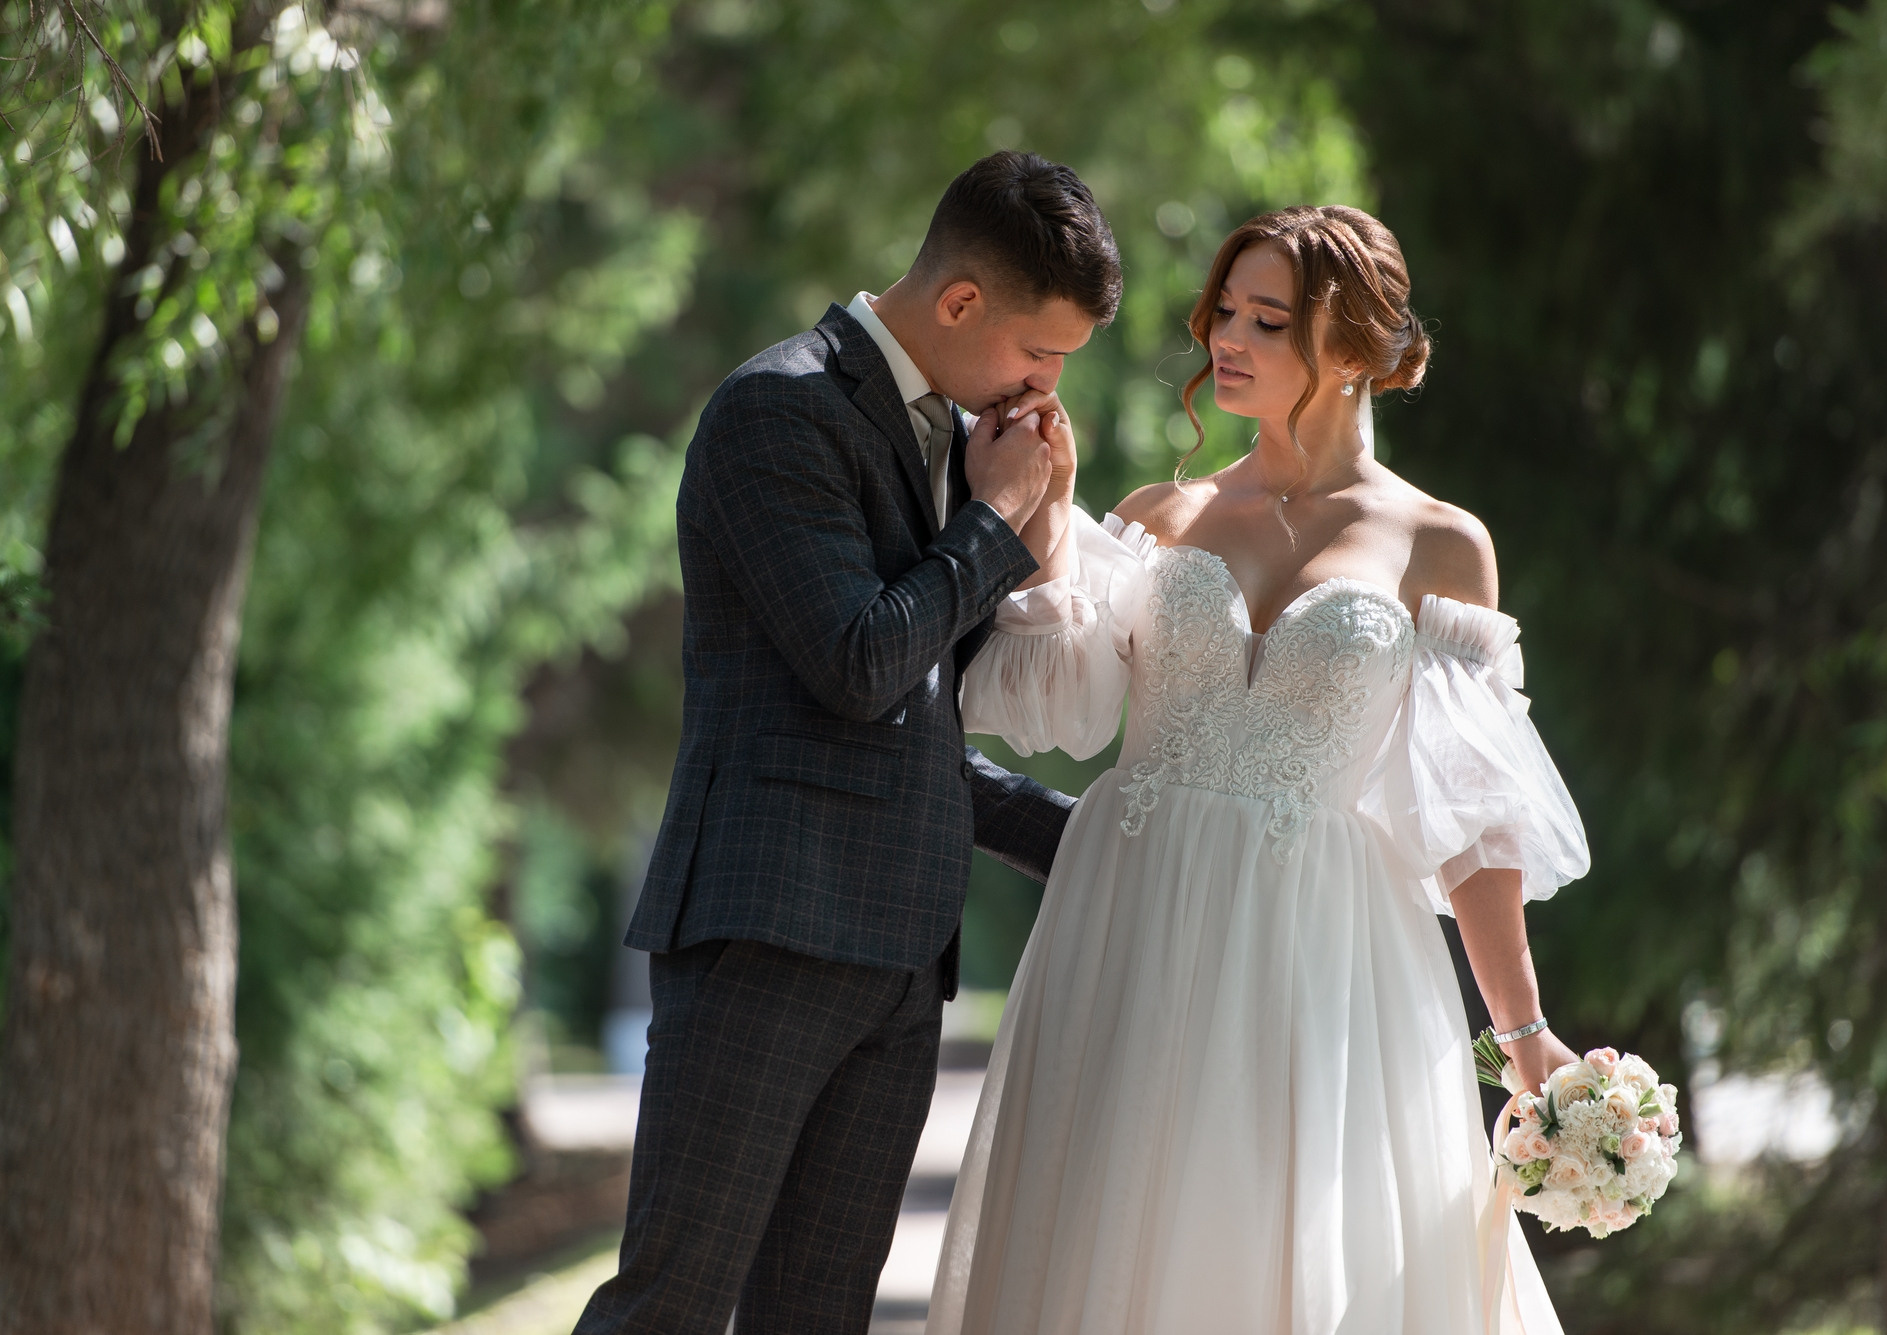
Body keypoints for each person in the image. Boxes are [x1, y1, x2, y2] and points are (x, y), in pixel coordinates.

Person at [933, 205, 1591, 1333]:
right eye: (1223, 311)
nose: (1225, 338)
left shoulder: (1439, 544)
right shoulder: (1161, 514)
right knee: (1109, 1235)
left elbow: (1470, 819)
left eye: (1266, 320)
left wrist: (1525, 1037)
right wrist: (1046, 521)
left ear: (1350, 348)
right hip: (1128, 921)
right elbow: (1059, 711)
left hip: (1321, 956)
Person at [574, 151, 1121, 1335]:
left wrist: (1115, 843)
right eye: (1042, 353)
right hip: (767, 931)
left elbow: (918, 737)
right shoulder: (777, 409)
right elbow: (862, 665)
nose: (1045, 387)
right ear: (962, 303)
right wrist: (992, 525)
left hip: (898, 961)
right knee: (668, 1306)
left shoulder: (947, 438)